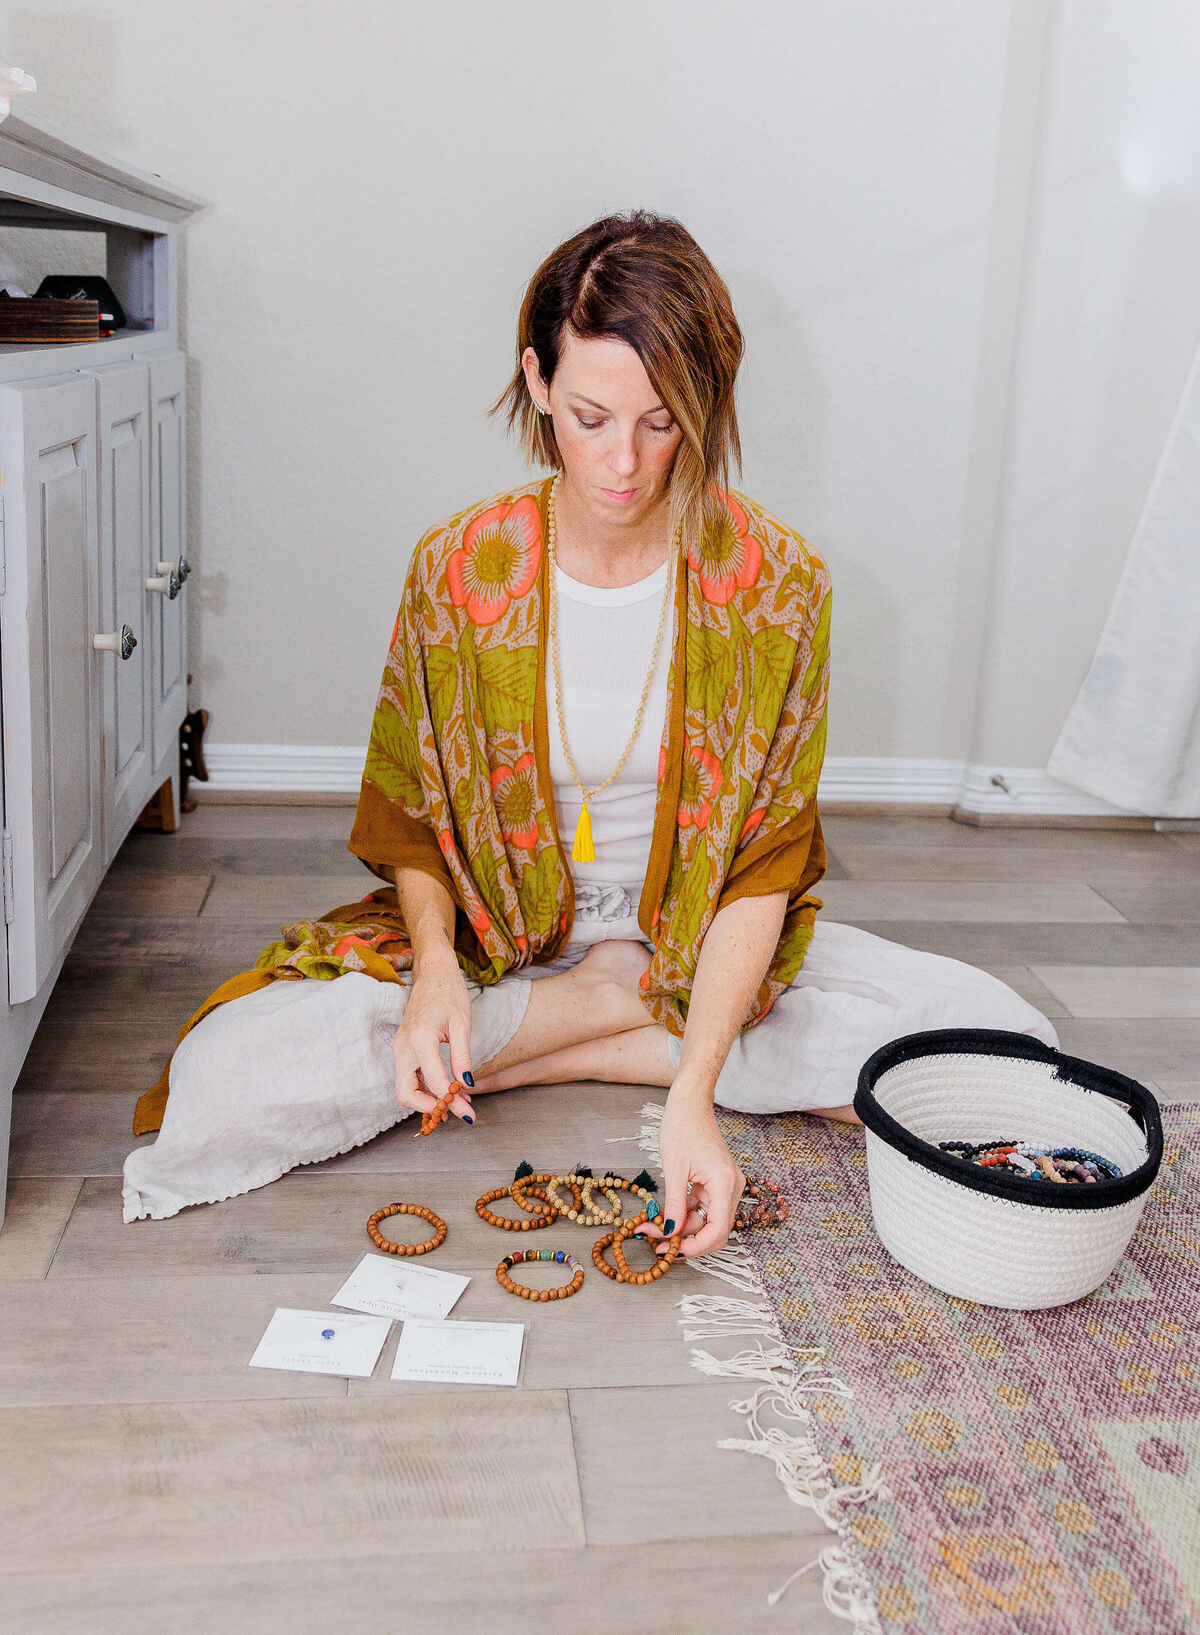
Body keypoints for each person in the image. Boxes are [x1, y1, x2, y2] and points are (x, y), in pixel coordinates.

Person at [129, 210, 1055, 1246]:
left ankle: (595, 1037)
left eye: (662, 423)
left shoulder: (777, 588)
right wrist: (437, 973)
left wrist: (693, 1099)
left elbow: (763, 868)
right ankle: (604, 1016)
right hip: (496, 937)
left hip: (697, 939)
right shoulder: (459, 569)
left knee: (1009, 1046)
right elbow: (412, 818)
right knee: (228, 1073)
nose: (623, 461)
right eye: (589, 415)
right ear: (536, 383)